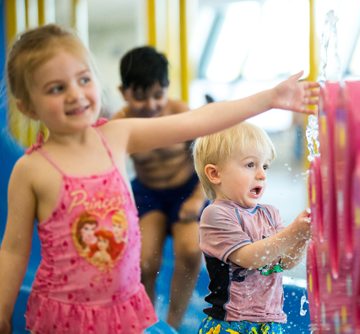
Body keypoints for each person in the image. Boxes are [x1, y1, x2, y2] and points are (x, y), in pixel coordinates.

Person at [0, 24, 318, 334]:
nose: (75, 94)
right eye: (57, 88)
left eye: (83, 79)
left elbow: (200, 120)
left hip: (123, 305)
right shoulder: (32, 169)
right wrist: (1, 312)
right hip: (67, 314)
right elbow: (13, 251)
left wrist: (270, 98)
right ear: (27, 106)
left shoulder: (115, 136)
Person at [112, 46, 205, 329]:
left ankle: (173, 323)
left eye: (158, 95)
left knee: (191, 250)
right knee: (143, 263)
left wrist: (198, 198)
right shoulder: (120, 124)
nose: (151, 105)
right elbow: (106, 170)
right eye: (140, 97)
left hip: (187, 189)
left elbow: (209, 160)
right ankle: (148, 322)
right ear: (123, 92)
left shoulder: (180, 113)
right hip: (147, 194)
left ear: (167, 89)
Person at [192, 122, 312, 334]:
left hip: (270, 323)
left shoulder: (270, 213)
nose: (262, 175)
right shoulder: (216, 214)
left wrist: (301, 237)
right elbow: (248, 257)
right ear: (214, 174)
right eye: (250, 165)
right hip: (231, 325)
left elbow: (285, 262)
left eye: (265, 166)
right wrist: (292, 232)